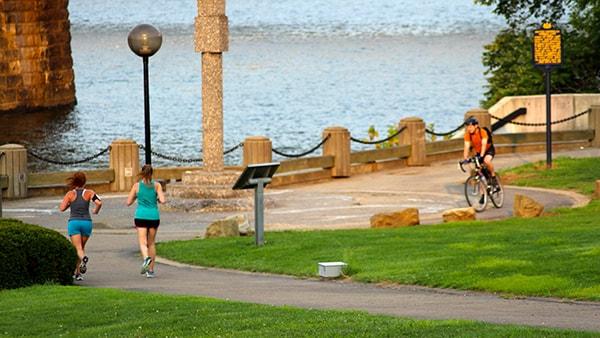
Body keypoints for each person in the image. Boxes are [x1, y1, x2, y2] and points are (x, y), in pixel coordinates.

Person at [59, 172, 102, 281]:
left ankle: (83, 260)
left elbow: (62, 208)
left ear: (74, 181)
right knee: (81, 248)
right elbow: (99, 203)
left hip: (74, 223)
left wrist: (70, 204)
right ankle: (78, 273)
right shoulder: (89, 192)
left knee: (77, 249)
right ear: (84, 182)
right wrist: (95, 211)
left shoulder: (70, 194)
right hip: (87, 223)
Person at [126, 164, 166, 278]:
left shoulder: (137, 186)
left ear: (142, 173)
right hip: (153, 216)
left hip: (141, 216)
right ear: (152, 173)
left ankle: (145, 258)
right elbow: (163, 200)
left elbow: (128, 202)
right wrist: (157, 198)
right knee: (151, 243)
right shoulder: (157, 185)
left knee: (142, 242)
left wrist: (136, 197)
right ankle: (151, 270)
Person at [463, 116, 497, 185]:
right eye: (468, 127)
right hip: (479, 152)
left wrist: (481, 156)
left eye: (470, 126)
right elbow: (466, 147)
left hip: (488, 149)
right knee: (479, 172)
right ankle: (483, 194)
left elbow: (484, 145)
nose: (469, 128)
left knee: (486, 161)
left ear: (476, 126)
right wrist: (465, 159)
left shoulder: (482, 132)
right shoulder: (467, 135)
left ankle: (493, 177)